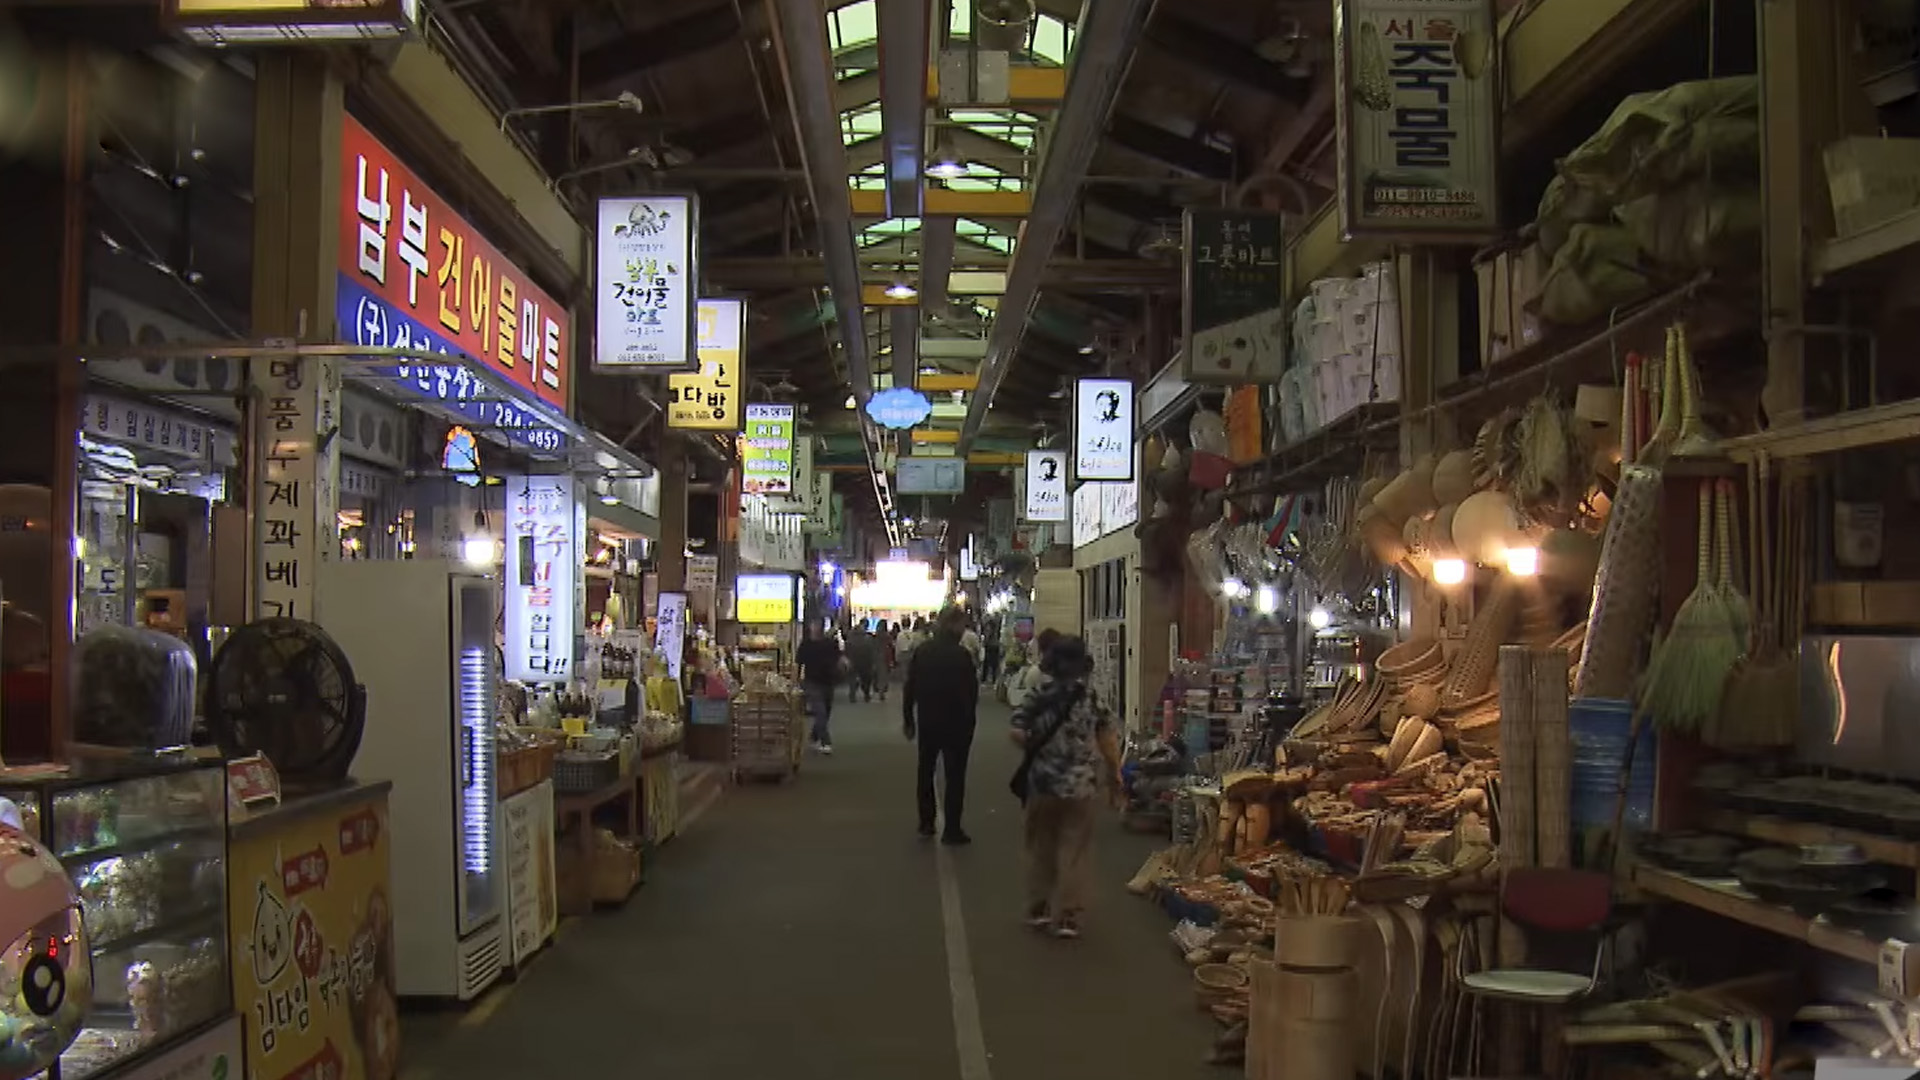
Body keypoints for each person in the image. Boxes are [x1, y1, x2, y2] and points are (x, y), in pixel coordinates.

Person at [1010, 635, 1123, 939]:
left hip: (1042, 784)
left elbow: (1016, 731)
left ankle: (1039, 908)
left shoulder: (1038, 694)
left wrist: (1039, 749)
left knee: (1040, 845)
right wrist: (1115, 776)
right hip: (1081, 785)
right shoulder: (1092, 699)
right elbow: (1108, 741)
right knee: (1075, 850)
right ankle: (1069, 917)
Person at [903, 606, 981, 845]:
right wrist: (970, 722)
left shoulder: (923, 651)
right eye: (961, 625)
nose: (963, 629)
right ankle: (952, 828)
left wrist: (908, 719)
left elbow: (910, 687)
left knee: (925, 771)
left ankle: (926, 822)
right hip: (957, 724)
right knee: (955, 776)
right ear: (953, 625)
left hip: (928, 720)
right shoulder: (962, 656)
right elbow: (971, 693)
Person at [795, 624, 843, 754]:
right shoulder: (806, 645)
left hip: (828, 682)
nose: (817, 628)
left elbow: (838, 658)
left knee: (826, 712)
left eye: (819, 626)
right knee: (820, 711)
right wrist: (796, 681)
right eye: (815, 625)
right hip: (811, 682)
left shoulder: (830, 644)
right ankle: (825, 741)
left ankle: (814, 736)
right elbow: (798, 663)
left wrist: (842, 664)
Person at [846, 624, 881, 703]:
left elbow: (847, 652)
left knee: (853, 679)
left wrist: (848, 661)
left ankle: (853, 694)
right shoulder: (868, 639)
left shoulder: (850, 640)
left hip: (854, 662)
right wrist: (873, 663)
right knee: (866, 680)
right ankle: (866, 694)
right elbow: (872, 652)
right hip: (865, 663)